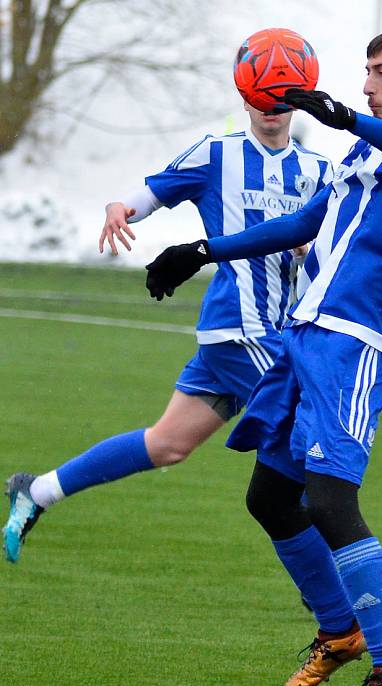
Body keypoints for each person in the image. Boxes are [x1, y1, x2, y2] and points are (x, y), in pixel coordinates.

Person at [144, 27, 382, 686]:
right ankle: (339, 629)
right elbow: (301, 223)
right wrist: (201, 248)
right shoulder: (367, 148)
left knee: (330, 499)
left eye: (381, 72)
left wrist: (344, 115)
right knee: (271, 494)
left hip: (354, 340)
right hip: (305, 333)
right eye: (365, 73)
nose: (367, 83)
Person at [2, 99, 332, 565]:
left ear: (295, 103)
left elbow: (336, 240)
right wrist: (120, 208)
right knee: (308, 431)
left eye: (279, 99)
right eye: (259, 98)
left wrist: (309, 248)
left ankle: (36, 491)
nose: (269, 109)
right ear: (243, 98)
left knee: (167, 444)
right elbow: (151, 192)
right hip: (240, 329)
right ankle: (333, 588)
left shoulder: (320, 170)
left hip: (275, 330)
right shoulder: (217, 153)